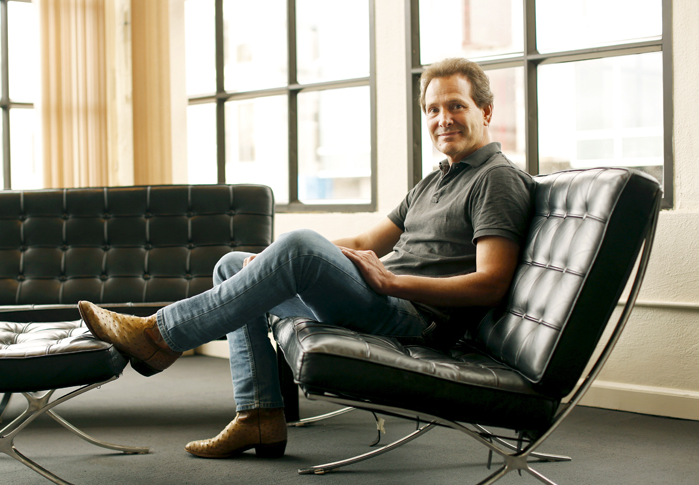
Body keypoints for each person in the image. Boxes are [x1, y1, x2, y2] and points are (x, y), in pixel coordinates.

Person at [77, 57, 535, 460]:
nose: (442, 119)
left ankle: (158, 334)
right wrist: (274, 258)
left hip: (416, 319)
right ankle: (257, 415)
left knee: (297, 245)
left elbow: (490, 283)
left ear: (485, 111)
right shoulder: (436, 180)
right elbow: (365, 239)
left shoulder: (496, 180)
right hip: (382, 300)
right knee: (234, 265)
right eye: (433, 109)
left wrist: (391, 282)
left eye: (456, 106)